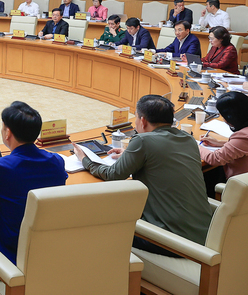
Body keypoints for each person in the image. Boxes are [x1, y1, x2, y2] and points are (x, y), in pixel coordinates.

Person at [74, 94, 212, 256]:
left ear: (143, 120)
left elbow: (112, 175)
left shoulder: (142, 141)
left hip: (174, 241)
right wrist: (130, 154)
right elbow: (162, 155)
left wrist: (85, 160)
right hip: (204, 235)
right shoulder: (187, 139)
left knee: (96, 222)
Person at [0, 102, 67, 275]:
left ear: (8, 132)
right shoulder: (56, 162)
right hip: (48, 258)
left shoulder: (1, 168)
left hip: (7, 260)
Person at [199, 92, 248, 196]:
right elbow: (242, 147)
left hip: (238, 187)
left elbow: (215, 159)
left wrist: (195, 146)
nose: (223, 119)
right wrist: (219, 143)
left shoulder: (243, 136)